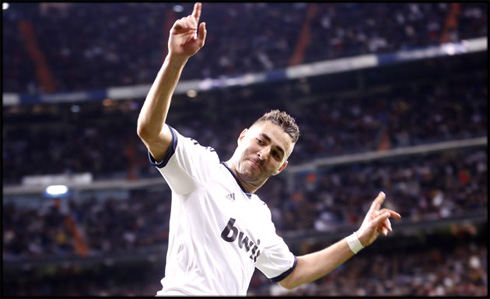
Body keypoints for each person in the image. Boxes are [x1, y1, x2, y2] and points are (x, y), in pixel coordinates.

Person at [137, 3, 401, 296]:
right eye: (261, 141)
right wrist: (176, 59)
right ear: (242, 136)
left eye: (277, 153)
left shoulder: (260, 217)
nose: (264, 154)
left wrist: (359, 239)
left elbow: (293, 274)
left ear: (281, 168)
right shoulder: (202, 167)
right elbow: (149, 130)